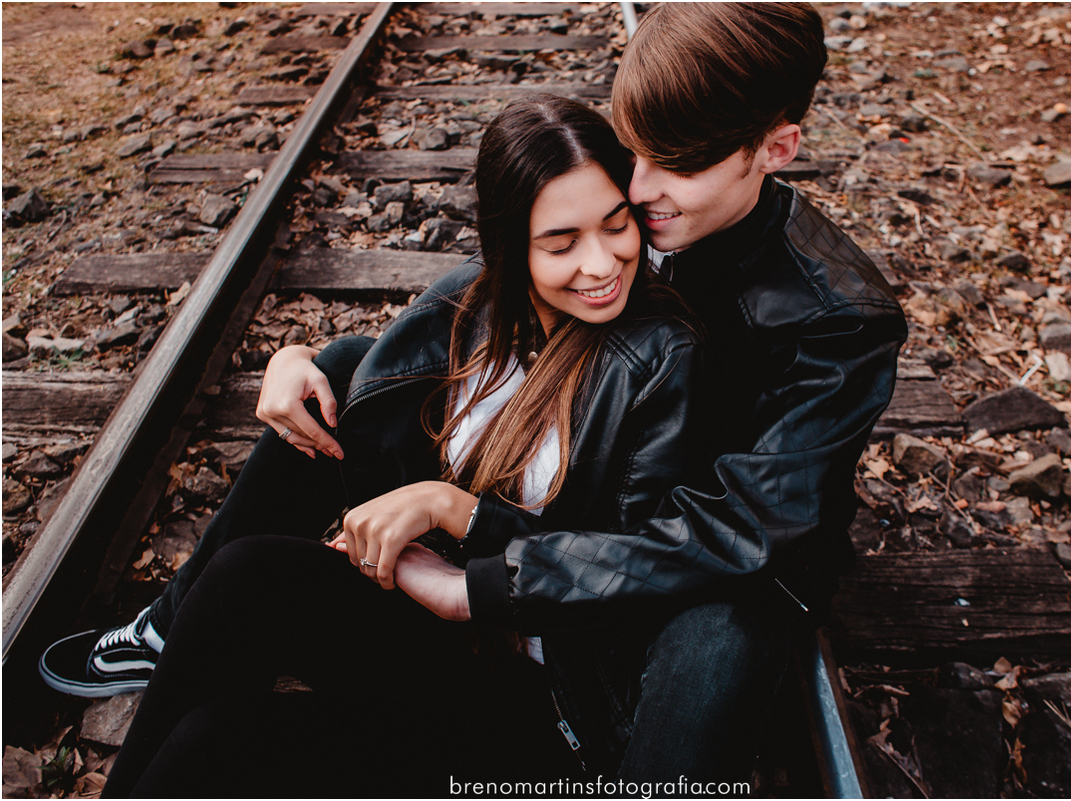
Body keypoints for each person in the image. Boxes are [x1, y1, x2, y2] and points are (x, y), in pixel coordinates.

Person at [45, 1, 908, 787]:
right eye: (633, 151)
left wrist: (479, 567)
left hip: (672, 583)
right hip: (562, 539)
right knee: (287, 491)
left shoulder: (835, 318)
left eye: (674, 166)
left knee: (721, 631)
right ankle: (174, 621)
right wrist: (309, 354)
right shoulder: (648, 218)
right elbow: (494, 323)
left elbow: (737, 530)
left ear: (778, 149)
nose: (636, 195)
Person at [98, 94, 705, 796]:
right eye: (562, 242)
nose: (602, 263)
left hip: (544, 702)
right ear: (508, 244)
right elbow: (372, 388)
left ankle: (176, 654)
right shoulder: (471, 312)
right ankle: (169, 640)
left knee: (214, 742)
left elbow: (629, 571)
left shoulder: (660, 356)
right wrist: (300, 360)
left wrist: (460, 513)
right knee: (243, 584)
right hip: (442, 636)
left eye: (615, 224)